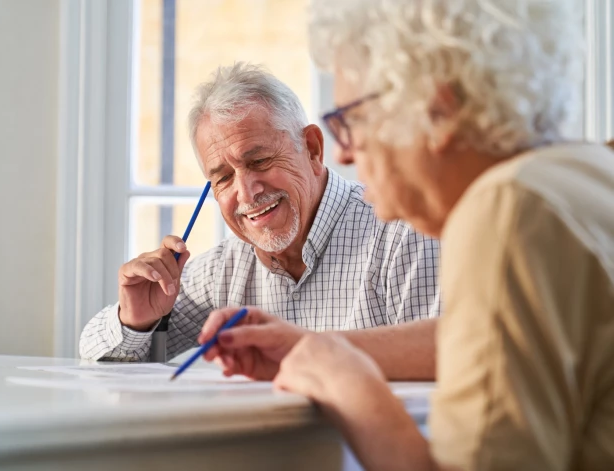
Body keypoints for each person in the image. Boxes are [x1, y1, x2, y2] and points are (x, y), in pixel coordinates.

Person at [200, 0, 614, 469]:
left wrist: (350, 387)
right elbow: (485, 341)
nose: (345, 155)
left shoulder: (505, 209)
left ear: (437, 109)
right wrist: (315, 348)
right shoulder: (586, 173)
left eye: (349, 122)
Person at [79, 63, 441, 372]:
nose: (247, 192)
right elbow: (93, 357)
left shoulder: (402, 236)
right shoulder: (225, 268)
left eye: (259, 161)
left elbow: (447, 367)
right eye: (222, 177)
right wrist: (136, 322)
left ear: (313, 149)